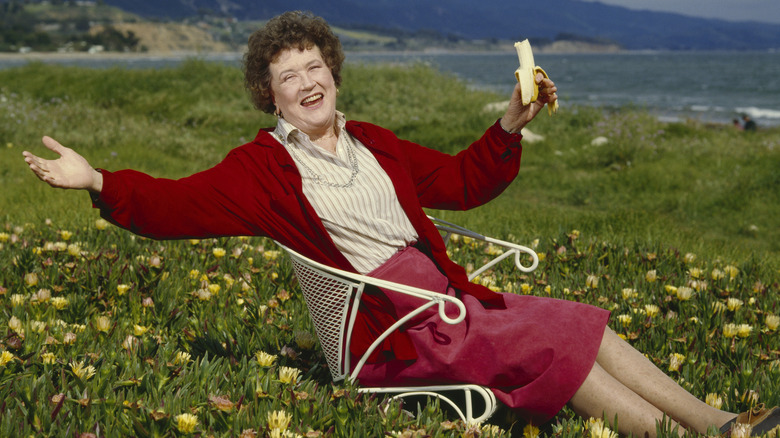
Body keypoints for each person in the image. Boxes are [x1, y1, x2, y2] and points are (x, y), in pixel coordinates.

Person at [22, 11, 778, 438]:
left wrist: (506, 126)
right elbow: (174, 206)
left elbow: (458, 182)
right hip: (390, 324)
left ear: (334, 72)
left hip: (446, 299)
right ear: (269, 95)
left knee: (586, 321)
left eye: (314, 66)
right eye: (288, 76)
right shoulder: (260, 171)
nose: (307, 82)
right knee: (556, 342)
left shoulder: (373, 141)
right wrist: (98, 180)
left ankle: (720, 425)